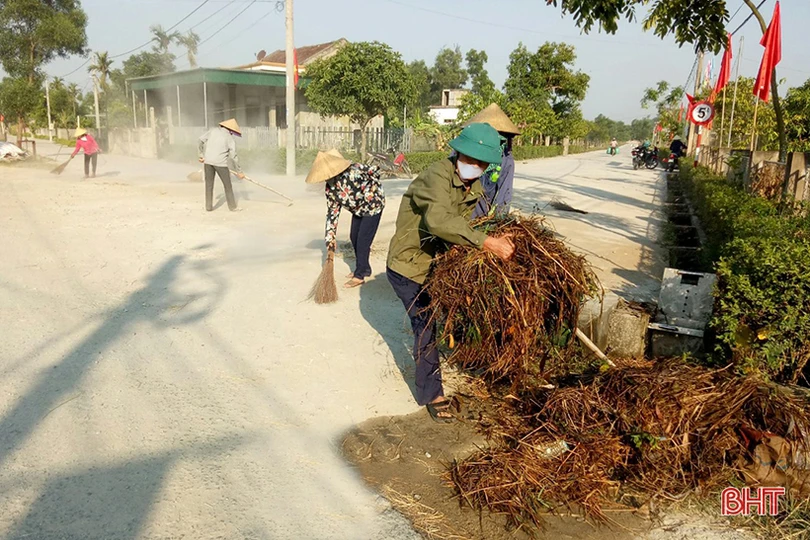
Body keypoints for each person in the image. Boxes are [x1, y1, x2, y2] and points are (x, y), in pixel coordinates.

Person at [387, 123, 516, 423]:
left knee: (453, 312)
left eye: (482, 163)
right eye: (470, 160)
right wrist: (486, 243)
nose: (476, 167)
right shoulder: (436, 177)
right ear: (457, 153)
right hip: (408, 265)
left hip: (435, 264)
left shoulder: (475, 185)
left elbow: (470, 224)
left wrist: (496, 236)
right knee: (426, 325)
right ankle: (432, 393)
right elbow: (439, 221)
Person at [306, 149, 385, 288]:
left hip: (373, 206)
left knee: (362, 241)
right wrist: (330, 238)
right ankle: (365, 268)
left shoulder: (355, 169)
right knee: (354, 237)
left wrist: (371, 189)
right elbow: (332, 213)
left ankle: (359, 275)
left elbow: (376, 171)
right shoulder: (330, 190)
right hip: (358, 210)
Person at [467, 103, 521, 218]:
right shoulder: (462, 154)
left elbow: (504, 197)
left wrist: (497, 223)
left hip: (479, 221)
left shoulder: (506, 160)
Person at [198, 118, 245, 212]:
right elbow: (233, 156)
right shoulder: (229, 138)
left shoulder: (212, 131)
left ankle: (208, 207)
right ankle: (232, 207)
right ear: (231, 130)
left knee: (209, 185)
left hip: (208, 162)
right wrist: (239, 172)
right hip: (221, 164)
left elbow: (200, 140)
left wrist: (201, 155)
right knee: (228, 185)